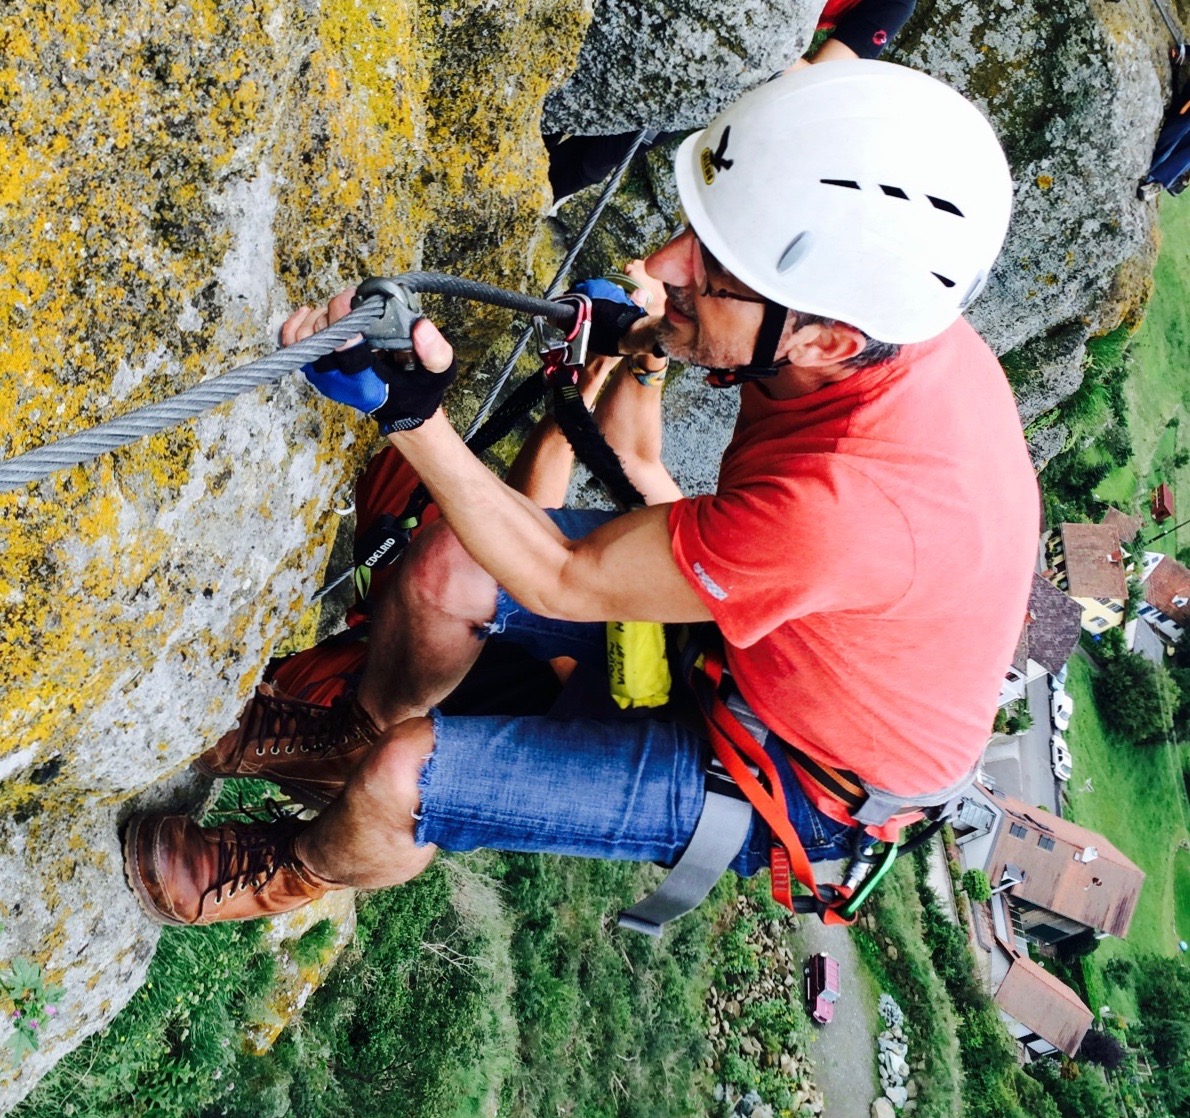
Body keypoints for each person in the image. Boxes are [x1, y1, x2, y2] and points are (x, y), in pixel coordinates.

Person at [123, 60, 1040, 929]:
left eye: (714, 273)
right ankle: (345, 740)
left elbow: (566, 576)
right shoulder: (864, 327)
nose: (667, 263)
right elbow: (644, 473)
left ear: (826, 341)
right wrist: (651, 341)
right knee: (451, 565)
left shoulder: (848, 506)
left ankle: (296, 868)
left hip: (807, 770)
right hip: (778, 646)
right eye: (696, 234)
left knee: (406, 780)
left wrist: (411, 414)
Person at [546, 0, 917, 202]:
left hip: (710, 79)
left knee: (589, 162)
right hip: (658, 26)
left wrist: (745, 43)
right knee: (552, 104)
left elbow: (818, 82)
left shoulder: (894, 3)